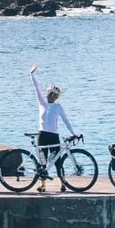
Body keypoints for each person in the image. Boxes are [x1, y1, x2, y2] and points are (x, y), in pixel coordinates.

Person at [30, 65, 76, 193]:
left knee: (57, 162)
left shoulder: (58, 107)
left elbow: (66, 121)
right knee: (42, 161)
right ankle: (42, 184)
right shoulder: (42, 103)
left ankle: (63, 183)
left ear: (57, 97)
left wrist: (73, 133)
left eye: (54, 95)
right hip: (42, 135)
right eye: (50, 94)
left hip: (53, 135)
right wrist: (31, 75)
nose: (51, 96)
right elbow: (36, 88)